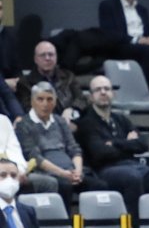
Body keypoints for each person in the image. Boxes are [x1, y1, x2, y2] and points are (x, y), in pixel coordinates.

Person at [75, 74, 149, 223]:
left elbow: (142, 144)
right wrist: (128, 144)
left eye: (107, 89)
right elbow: (100, 153)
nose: (103, 92)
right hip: (106, 170)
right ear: (91, 97)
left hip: (135, 166)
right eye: (98, 89)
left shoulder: (121, 119)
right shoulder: (86, 123)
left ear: (113, 93)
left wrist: (114, 143)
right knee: (132, 178)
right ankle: (135, 227)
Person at [16, 82, 105, 210]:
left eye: (49, 99)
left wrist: (78, 171)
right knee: (64, 186)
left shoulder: (60, 121)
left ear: (54, 102)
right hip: (47, 172)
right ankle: (65, 222)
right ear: (32, 101)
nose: (45, 104)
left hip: (70, 170)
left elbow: (74, 149)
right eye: (40, 99)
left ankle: (92, 221)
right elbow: (35, 157)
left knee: (99, 185)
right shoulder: (23, 124)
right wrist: (62, 173)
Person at [17, 40, 84, 119]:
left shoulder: (68, 76)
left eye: (51, 54)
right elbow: (30, 109)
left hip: (72, 118)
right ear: (35, 59)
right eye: (42, 55)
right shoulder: (25, 83)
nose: (47, 58)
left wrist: (71, 109)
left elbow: (81, 98)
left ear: (56, 57)